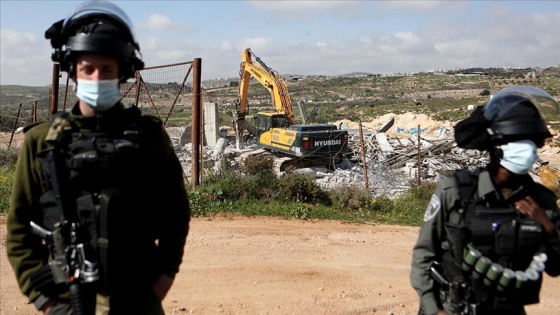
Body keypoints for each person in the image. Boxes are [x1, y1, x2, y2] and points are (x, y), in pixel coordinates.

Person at [6, 1, 191, 314]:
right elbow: (19, 227)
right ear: (73, 71)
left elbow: (176, 214)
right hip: (67, 301)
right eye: (87, 69)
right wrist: (45, 300)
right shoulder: (41, 141)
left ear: (122, 72)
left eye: (107, 69)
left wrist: (164, 279)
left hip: (136, 300)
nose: (97, 77)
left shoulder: (148, 137)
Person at [410, 85, 560, 315]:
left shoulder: (542, 201)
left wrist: (548, 228)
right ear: (497, 146)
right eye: (519, 140)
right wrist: (433, 309)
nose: (529, 149)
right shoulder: (455, 192)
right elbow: (423, 255)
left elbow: (554, 267)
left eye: (532, 141)